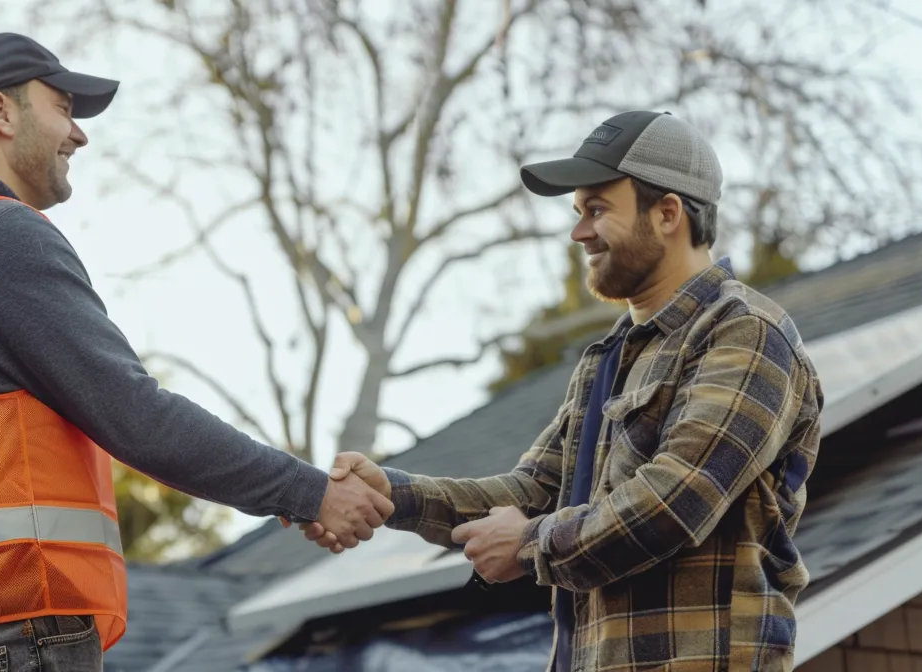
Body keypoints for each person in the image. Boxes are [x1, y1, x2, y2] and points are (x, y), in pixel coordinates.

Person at [0, 33, 391, 672]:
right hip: (7, 635)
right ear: (1, 112)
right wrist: (308, 491)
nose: (78, 136)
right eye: (62, 109)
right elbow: (136, 414)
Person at [307, 111, 824, 671]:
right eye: (578, 213)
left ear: (668, 212)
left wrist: (529, 544)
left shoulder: (745, 333)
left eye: (597, 210)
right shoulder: (607, 359)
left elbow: (673, 502)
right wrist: (392, 493)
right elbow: (531, 493)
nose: (578, 232)